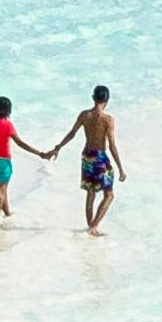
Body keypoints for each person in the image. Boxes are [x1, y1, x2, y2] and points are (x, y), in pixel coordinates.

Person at [54, 90, 126, 231]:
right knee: (109, 195)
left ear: (93, 98)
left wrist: (59, 147)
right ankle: (93, 227)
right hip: (99, 158)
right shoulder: (108, 119)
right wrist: (121, 168)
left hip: (87, 156)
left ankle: (90, 227)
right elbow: (111, 145)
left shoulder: (84, 115)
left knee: (91, 192)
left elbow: (72, 133)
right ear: (107, 100)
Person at [0, 93, 47, 227]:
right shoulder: (8, 125)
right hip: (3, 164)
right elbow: (21, 143)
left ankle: (8, 214)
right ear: (9, 111)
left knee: (1, 189)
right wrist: (40, 153)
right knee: (0, 193)